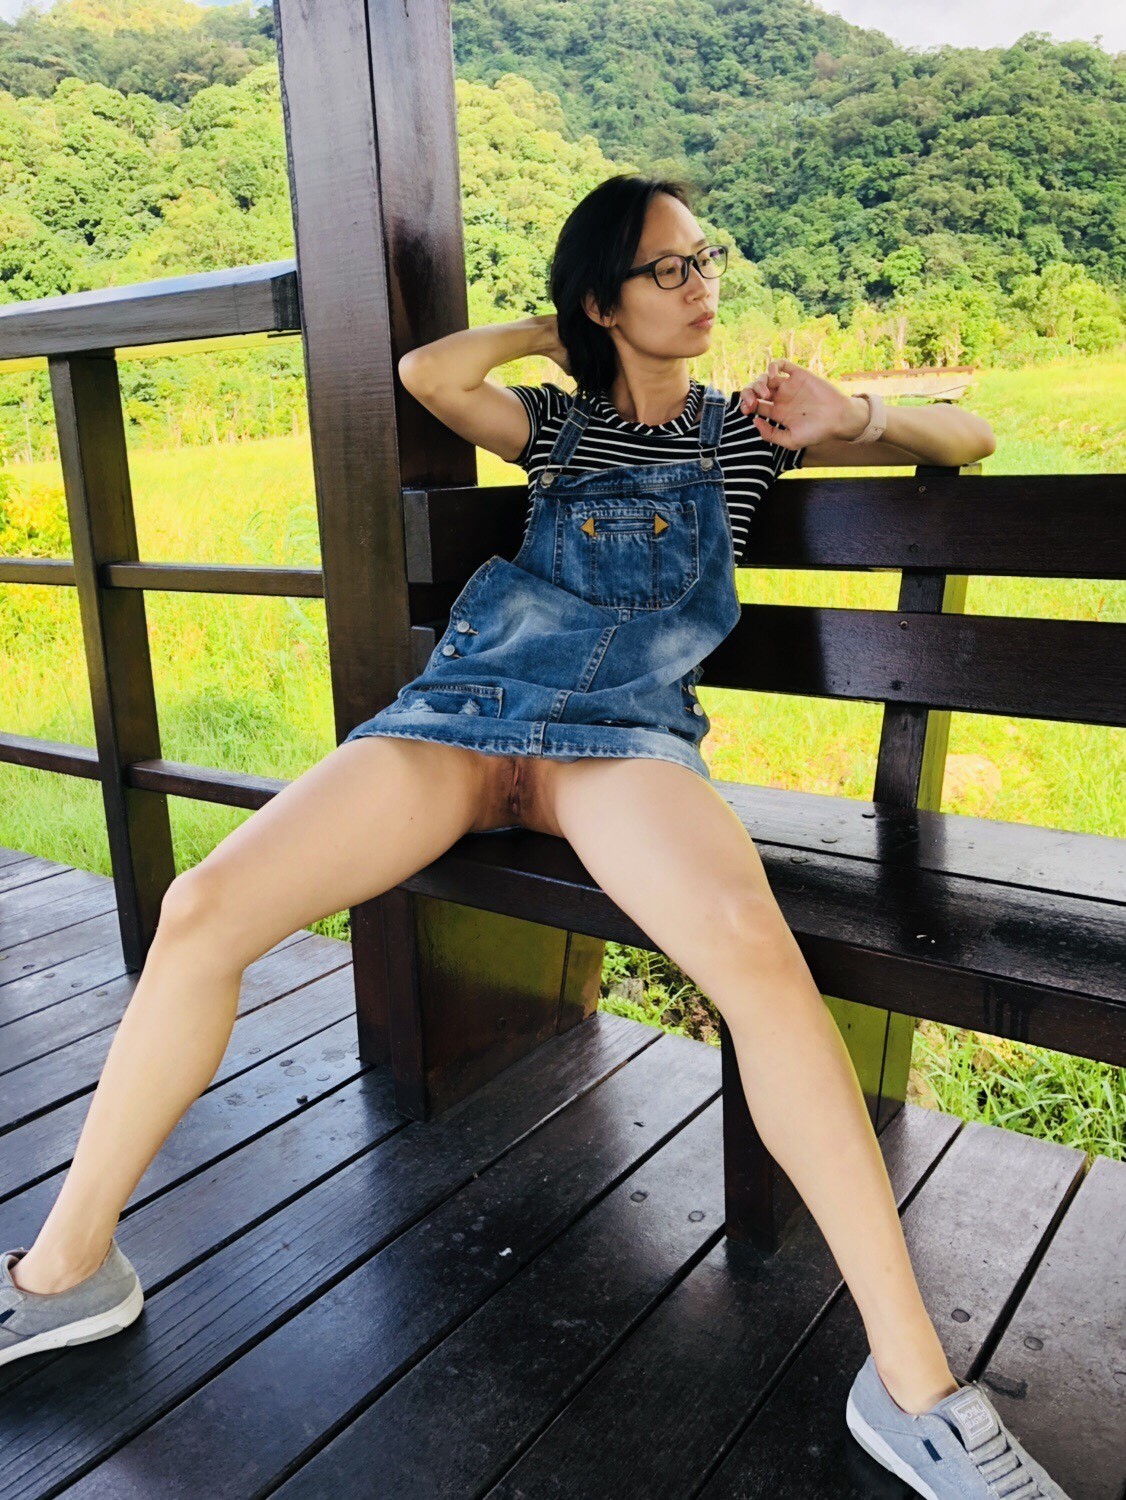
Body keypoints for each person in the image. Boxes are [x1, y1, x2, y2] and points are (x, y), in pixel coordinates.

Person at [0, 172, 1070, 1500]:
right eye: (668, 269)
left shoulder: (745, 435)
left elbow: (968, 434)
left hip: (619, 741)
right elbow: (429, 374)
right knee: (202, 907)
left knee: (751, 958)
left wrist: (854, 414)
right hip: (464, 717)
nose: (701, 287)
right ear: (602, 303)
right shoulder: (554, 427)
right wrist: (538, 333)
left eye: (705, 261)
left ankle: (916, 1387)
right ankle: (66, 1270)